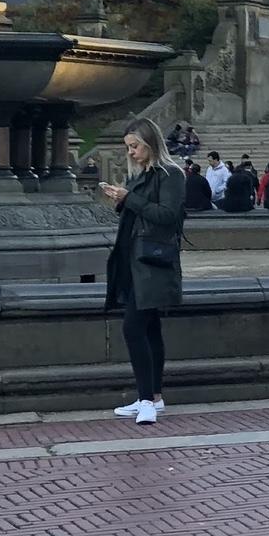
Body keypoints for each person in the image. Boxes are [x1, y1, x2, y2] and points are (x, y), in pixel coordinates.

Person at [101, 118, 185, 426]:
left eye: (135, 146)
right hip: (135, 262)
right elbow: (141, 211)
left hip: (153, 263)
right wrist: (122, 198)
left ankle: (147, 399)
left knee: (133, 327)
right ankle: (154, 397)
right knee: (148, 328)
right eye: (128, 148)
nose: (132, 153)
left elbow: (166, 215)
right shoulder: (143, 175)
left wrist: (128, 198)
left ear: (150, 143)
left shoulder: (171, 174)